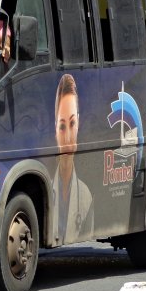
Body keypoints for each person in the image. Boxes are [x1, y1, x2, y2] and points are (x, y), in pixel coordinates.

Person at [52, 73, 94, 244]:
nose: (68, 137)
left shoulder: (86, 198)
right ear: (55, 130)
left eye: (72, 124)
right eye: (62, 126)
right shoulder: (44, 185)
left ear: (79, 124)